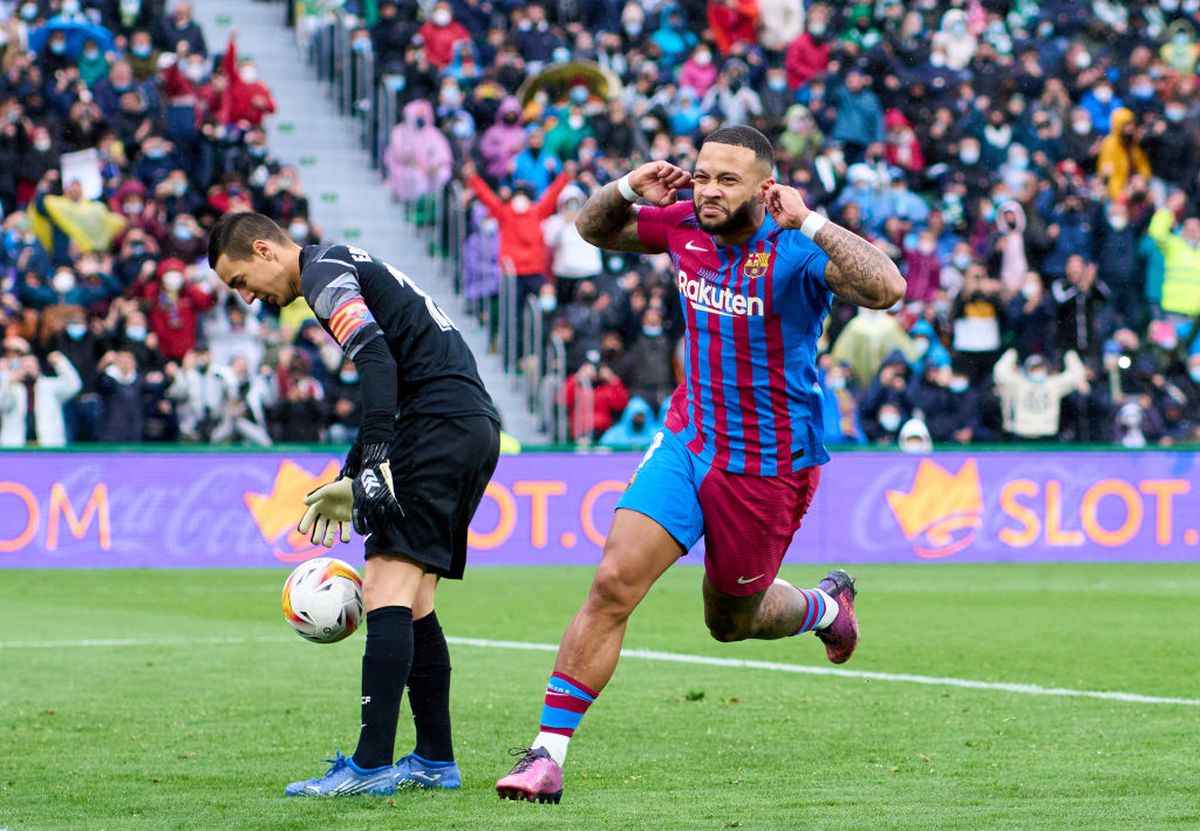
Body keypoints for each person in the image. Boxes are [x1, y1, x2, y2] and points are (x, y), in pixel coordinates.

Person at [495, 125, 906, 803]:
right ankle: (546, 754)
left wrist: (810, 219)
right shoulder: (684, 223)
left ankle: (823, 607)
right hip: (689, 440)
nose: (709, 190)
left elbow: (888, 287)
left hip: (769, 467)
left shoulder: (796, 247)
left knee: (730, 622)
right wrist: (627, 187)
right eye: (703, 174)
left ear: (765, 188)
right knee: (613, 582)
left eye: (727, 180)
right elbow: (593, 229)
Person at [207, 212, 501, 796]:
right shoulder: (341, 262)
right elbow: (397, 361)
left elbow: (375, 357)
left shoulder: (322, 275)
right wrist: (353, 466)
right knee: (414, 601)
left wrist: (375, 459)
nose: (247, 297)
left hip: (436, 426)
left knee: (385, 586)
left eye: (240, 281)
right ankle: (435, 759)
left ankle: (368, 768)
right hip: (467, 424)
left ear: (264, 250)